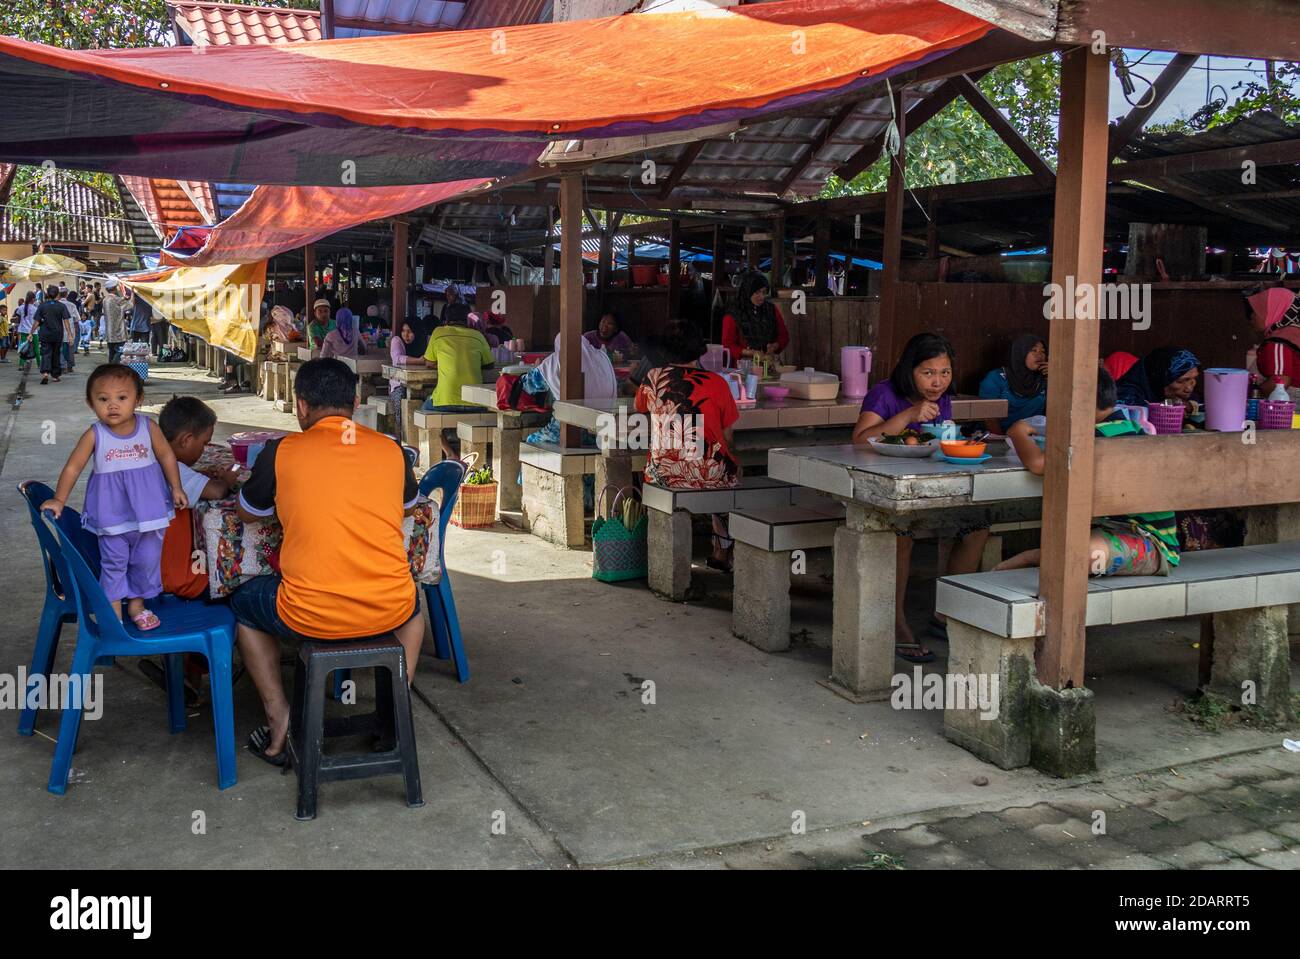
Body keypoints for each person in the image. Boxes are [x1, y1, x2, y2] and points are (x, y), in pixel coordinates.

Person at [231, 358, 424, 765]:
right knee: (415, 602)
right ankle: (396, 713)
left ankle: (279, 715)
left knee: (244, 602)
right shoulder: (391, 450)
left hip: (309, 614)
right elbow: (409, 508)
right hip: (388, 609)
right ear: (353, 402)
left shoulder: (279, 452)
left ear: (301, 406)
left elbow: (248, 513)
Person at [852, 332, 988, 662]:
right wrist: (909, 415)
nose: (937, 382)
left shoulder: (942, 399)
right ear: (909, 369)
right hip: (879, 493)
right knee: (901, 536)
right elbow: (860, 440)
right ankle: (897, 624)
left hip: (927, 491)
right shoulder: (884, 394)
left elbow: (936, 440)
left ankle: (945, 615)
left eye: (944, 372)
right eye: (928, 373)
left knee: (977, 528)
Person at [40, 364, 188, 630]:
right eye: (103, 399)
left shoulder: (148, 427)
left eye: (122, 397)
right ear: (90, 403)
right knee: (114, 563)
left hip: (149, 512)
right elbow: (73, 467)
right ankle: (114, 615)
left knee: (146, 560)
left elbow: (167, 455)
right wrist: (59, 499)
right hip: (112, 517)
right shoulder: (95, 435)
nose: (113, 406)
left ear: (138, 399)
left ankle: (137, 606)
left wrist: (175, 486)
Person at [998, 369, 1179, 576]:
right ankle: (1042, 558)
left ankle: (1034, 557)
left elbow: (1038, 464)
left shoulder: (1101, 435)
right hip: (1113, 532)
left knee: (1085, 556)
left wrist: (1017, 432)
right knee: (1071, 551)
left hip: (1151, 544)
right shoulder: (1126, 426)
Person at [635, 320, 739, 571]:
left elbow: (639, 408)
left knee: (656, 467)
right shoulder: (717, 383)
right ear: (699, 349)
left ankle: (659, 550)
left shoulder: (653, 378)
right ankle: (723, 549)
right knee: (726, 468)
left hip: (664, 474)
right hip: (711, 474)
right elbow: (728, 436)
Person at [158, 396, 232, 600]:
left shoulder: (152, 456)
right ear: (187, 440)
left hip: (152, 568)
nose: (204, 450)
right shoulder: (173, 470)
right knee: (236, 582)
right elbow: (217, 492)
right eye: (204, 443)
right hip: (175, 578)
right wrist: (227, 479)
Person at [421, 302, 495, 459]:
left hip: (445, 402)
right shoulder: (478, 336)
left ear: (446, 319)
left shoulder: (438, 333)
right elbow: (489, 364)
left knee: (422, 409)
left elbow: (428, 362)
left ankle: (450, 453)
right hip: (476, 404)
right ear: (467, 320)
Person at [521, 331, 618, 445]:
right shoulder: (602, 357)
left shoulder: (557, 359)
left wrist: (538, 367)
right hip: (601, 429)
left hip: (569, 428)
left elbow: (528, 385)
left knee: (530, 441)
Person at [979, 332, 1048, 433]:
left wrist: (1055, 379)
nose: (1040, 355)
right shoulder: (996, 378)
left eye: (1043, 351)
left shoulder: (1044, 379)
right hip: (998, 438)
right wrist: (1004, 440)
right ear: (1020, 352)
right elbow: (988, 417)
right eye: (1034, 350)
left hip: (1033, 438)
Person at [721, 271, 789, 362]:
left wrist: (774, 346)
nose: (761, 297)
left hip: (769, 363)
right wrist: (750, 352)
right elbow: (727, 344)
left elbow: (784, 336)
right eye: (757, 292)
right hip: (742, 366)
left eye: (764, 292)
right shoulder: (733, 313)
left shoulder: (771, 309)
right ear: (747, 291)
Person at [1115, 346, 1200, 411]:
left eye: (1193, 380)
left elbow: (1198, 403)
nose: (1189, 388)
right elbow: (1138, 410)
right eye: (1181, 381)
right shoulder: (1127, 394)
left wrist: (1189, 405)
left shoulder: (1177, 392)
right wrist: (1171, 404)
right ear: (1159, 379)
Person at [1247, 287, 1300, 390]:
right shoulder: (1295, 333)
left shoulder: (1280, 340)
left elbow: (1281, 381)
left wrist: (1254, 396)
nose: (1252, 317)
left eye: (1257, 311)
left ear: (1273, 311)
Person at [387, 318, 429, 443]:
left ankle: (422, 439)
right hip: (399, 386)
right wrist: (420, 361)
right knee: (401, 397)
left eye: (410, 331)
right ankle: (403, 439)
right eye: (403, 331)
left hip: (423, 384)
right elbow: (397, 358)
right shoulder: (397, 340)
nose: (406, 334)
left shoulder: (425, 341)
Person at [36, 284, 71, 384]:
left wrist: (31, 332)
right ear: (57, 294)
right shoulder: (61, 306)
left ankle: (45, 373)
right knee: (56, 354)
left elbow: (36, 321)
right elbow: (66, 321)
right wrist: (70, 334)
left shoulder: (42, 306)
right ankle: (55, 376)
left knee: (45, 353)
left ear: (47, 294)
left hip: (45, 334)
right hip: (57, 334)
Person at [102, 278, 128, 364]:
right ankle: (113, 366)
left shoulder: (105, 300)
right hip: (118, 332)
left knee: (112, 352)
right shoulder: (117, 299)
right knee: (120, 351)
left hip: (109, 332)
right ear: (114, 288)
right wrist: (132, 295)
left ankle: (110, 369)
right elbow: (130, 305)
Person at [58, 288, 81, 372]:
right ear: (66, 294)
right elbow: (76, 319)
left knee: (60, 349)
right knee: (70, 349)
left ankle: (62, 366)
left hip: (59, 329)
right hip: (70, 330)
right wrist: (76, 330)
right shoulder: (72, 305)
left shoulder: (57, 304)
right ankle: (70, 366)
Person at [15, 291, 38, 372]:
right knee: (36, 349)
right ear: (32, 299)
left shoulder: (20, 307)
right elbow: (37, 320)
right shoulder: (35, 308)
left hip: (23, 330)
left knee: (23, 348)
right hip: (33, 331)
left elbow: (18, 317)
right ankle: (39, 364)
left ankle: (21, 365)